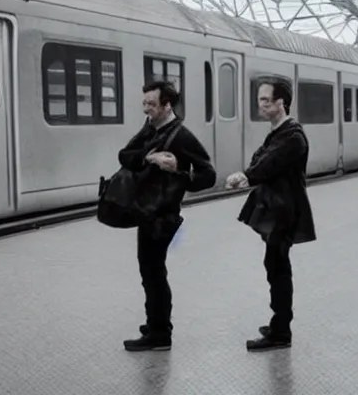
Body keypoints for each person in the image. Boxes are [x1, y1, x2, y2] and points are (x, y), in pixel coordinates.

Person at [119, 81, 216, 352]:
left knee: (154, 271)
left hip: (164, 214)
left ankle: (160, 334)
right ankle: (156, 323)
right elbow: (125, 156)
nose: (146, 109)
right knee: (149, 270)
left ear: (167, 105)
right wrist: (150, 159)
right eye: (145, 103)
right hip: (145, 210)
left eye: (152, 104)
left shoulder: (182, 137)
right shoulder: (150, 127)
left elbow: (208, 175)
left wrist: (177, 172)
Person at [225, 76, 316, 351]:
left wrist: (246, 175)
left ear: (281, 103)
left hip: (284, 211)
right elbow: (261, 160)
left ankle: (281, 332)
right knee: (274, 267)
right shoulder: (279, 132)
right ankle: (279, 324)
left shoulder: (293, 137)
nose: (261, 105)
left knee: (278, 270)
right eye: (259, 100)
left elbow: (266, 164)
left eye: (265, 100)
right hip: (276, 208)